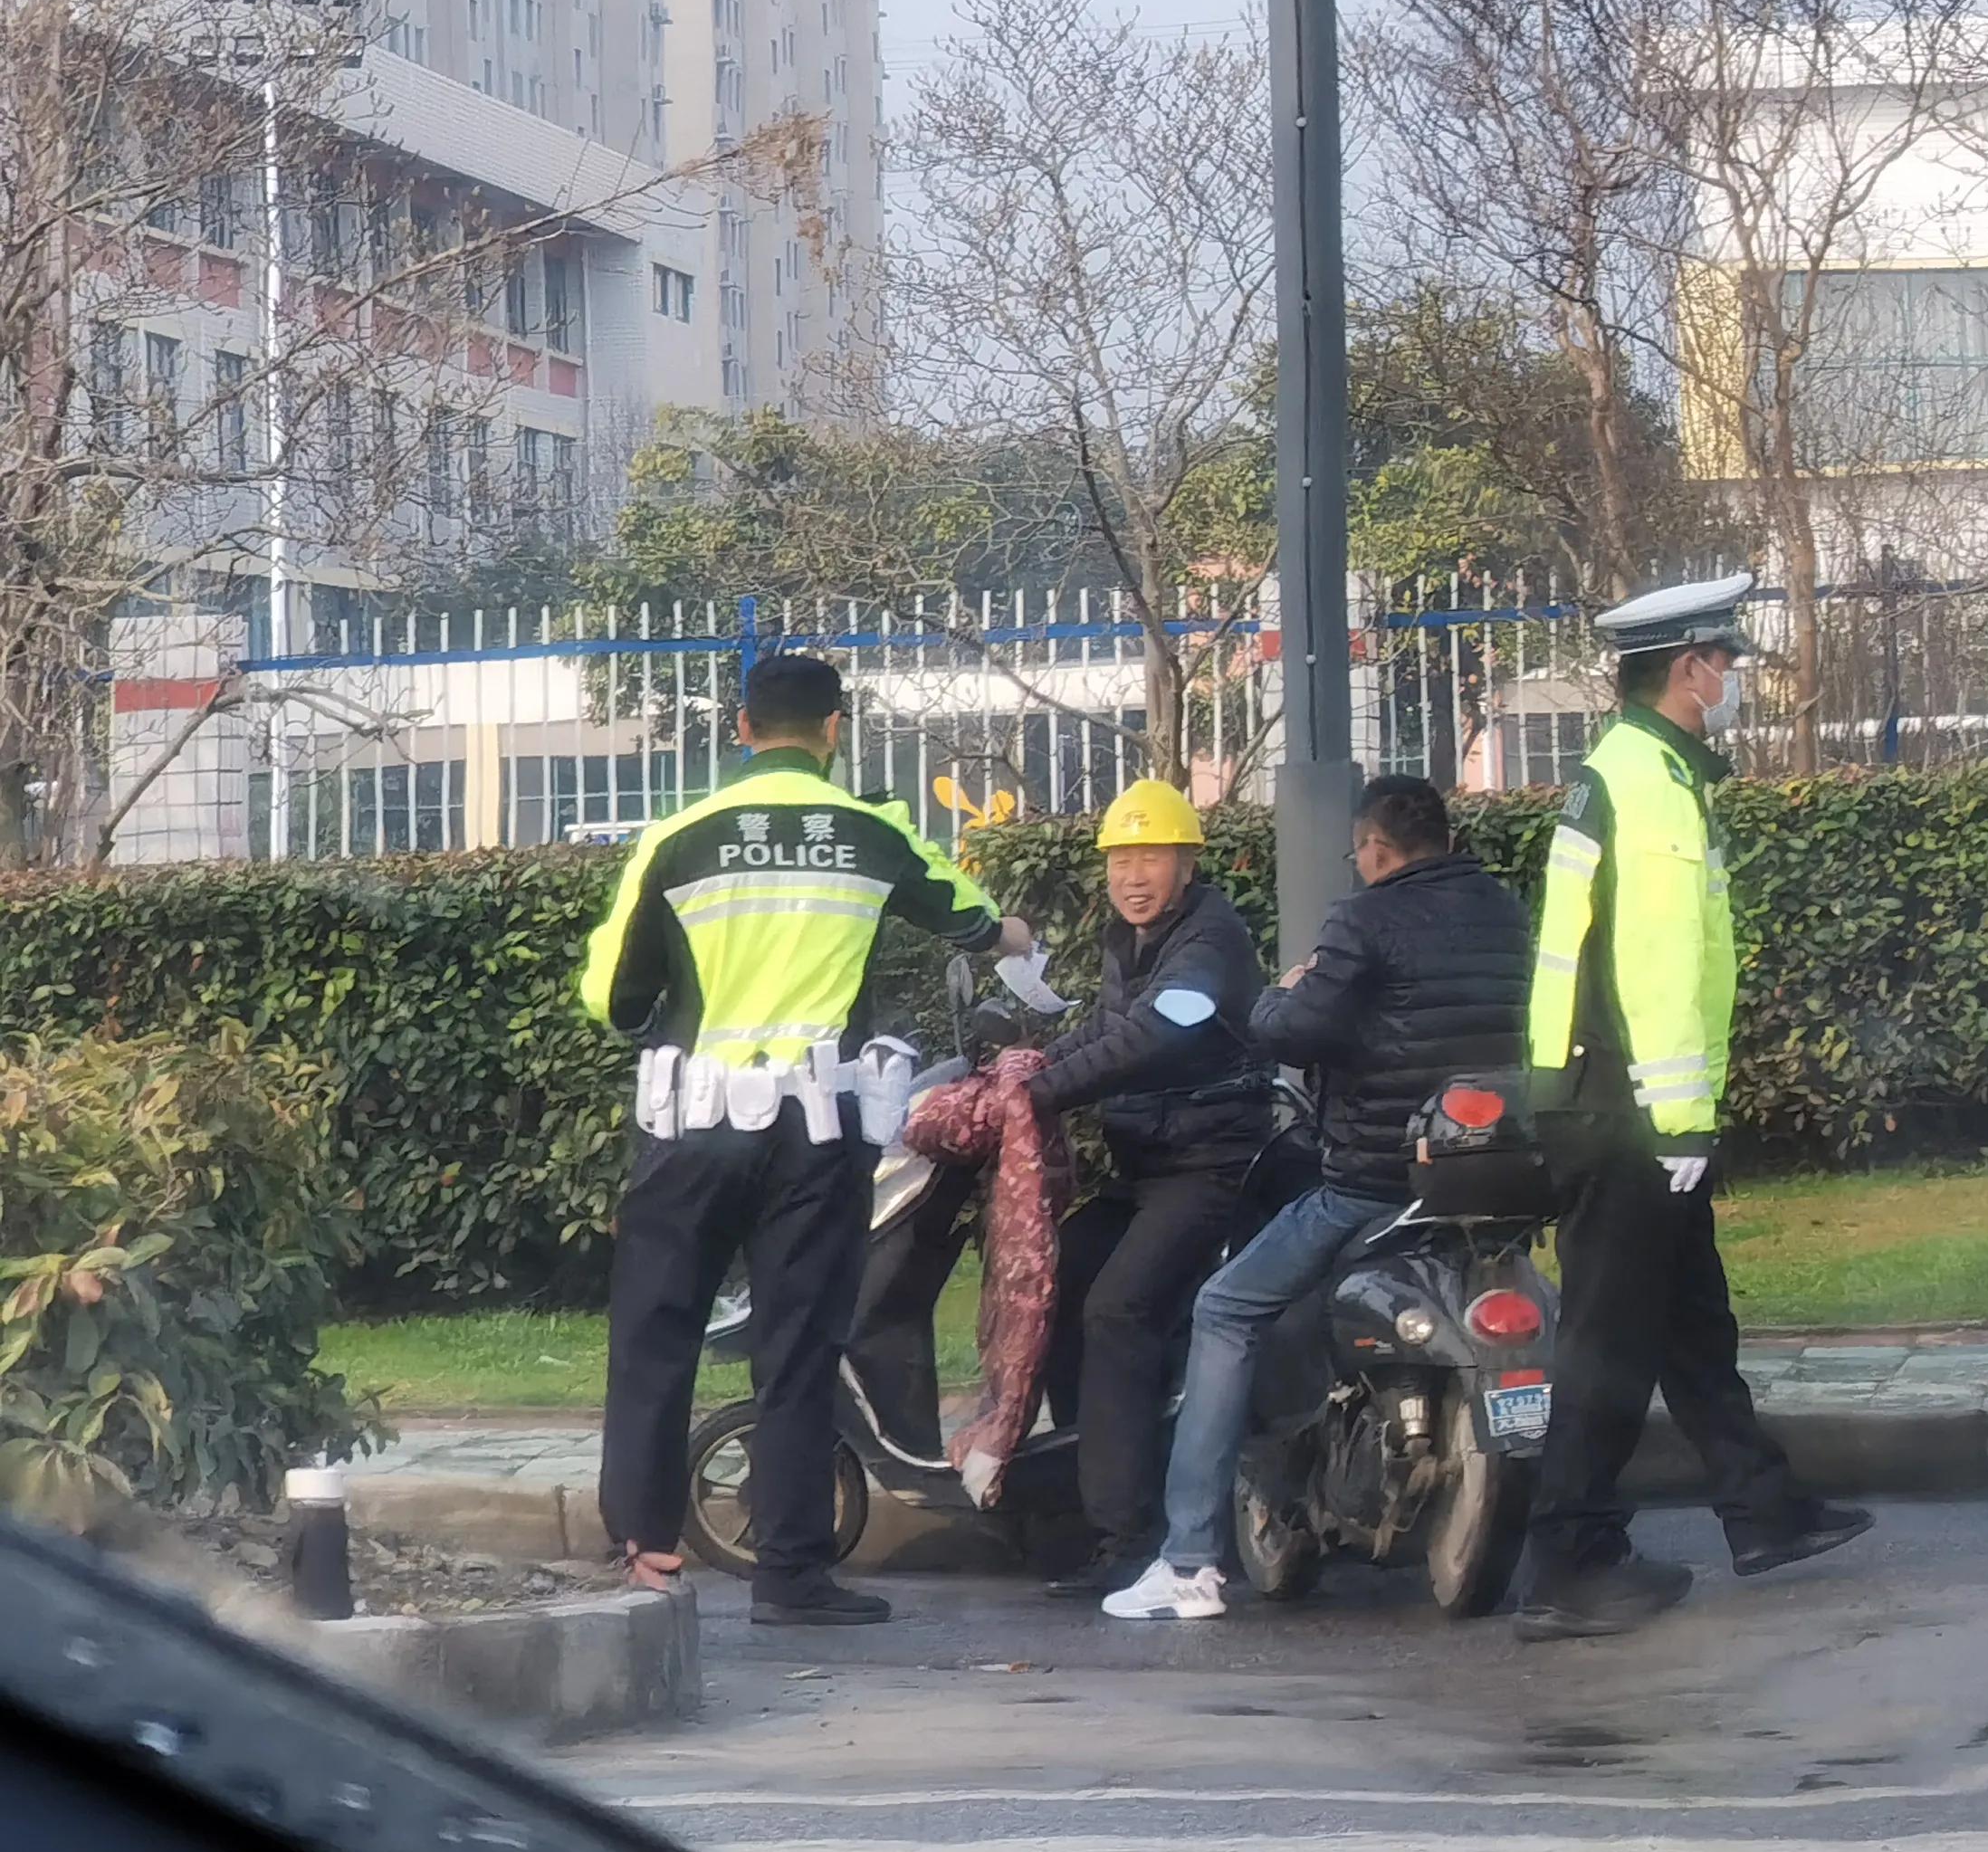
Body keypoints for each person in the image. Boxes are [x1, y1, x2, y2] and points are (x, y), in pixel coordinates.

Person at [579, 651, 1032, 1628]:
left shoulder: (679, 836)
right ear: (835, 730)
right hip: (817, 1130)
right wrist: (1016, 940)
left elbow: (612, 996)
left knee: (657, 1333)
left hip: (694, 1119)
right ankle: (791, 1573)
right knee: (798, 1346)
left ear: (742, 729)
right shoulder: (871, 836)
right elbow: (973, 919)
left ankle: (648, 1552)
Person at [1515, 574, 1872, 1642]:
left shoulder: (1636, 769)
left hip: (1601, 1097)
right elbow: (1660, 968)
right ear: (1688, 670)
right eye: (1726, 662)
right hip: (1625, 1108)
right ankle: (1565, 1559)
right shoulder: (1651, 787)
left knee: (1690, 1322)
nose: (1734, 680)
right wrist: (1679, 1124)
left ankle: (1764, 1509)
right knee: (1609, 1342)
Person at [1103, 774, 1534, 1621]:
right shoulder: (1507, 913)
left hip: (1377, 1176)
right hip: (1501, 1171)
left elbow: (1290, 1030)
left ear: (1373, 849)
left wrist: (1286, 989)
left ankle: (1187, 1560)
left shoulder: (1362, 918)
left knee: (1226, 1309)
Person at [1027, 776, 1279, 1593]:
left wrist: (1039, 1093)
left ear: (1188, 863)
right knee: (1056, 1279)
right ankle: (1090, 1494)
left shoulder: (1210, 945)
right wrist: (1020, 1073)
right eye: (1121, 858)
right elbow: (1103, 1031)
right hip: (1147, 1167)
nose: (1133, 875)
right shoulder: (1128, 939)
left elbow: (1148, 1039)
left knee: (1119, 1308)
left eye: (1152, 856)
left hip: (1208, 1167)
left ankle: (1131, 1536)